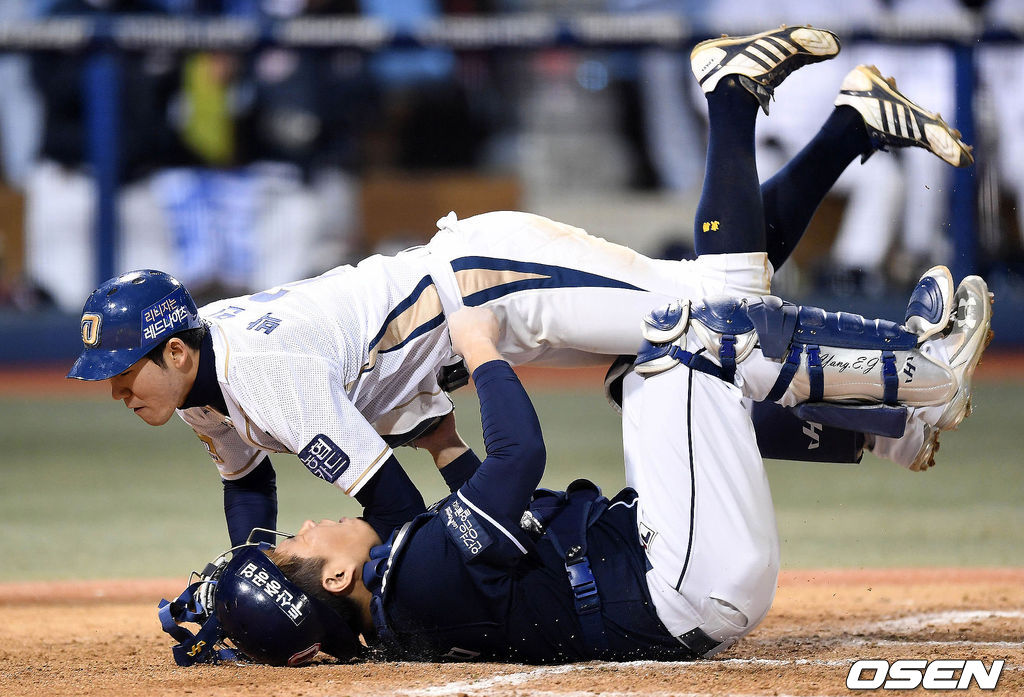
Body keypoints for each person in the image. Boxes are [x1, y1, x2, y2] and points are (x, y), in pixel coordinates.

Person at [69, 25, 977, 550]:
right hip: (485, 308)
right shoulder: (205, 382)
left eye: (122, 370)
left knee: (717, 320)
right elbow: (246, 484)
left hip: (493, 283)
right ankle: (851, 134)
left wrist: (382, 596)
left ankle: (735, 103)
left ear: (174, 350)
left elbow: (387, 502)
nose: (114, 389)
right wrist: (250, 570)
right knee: (680, 339)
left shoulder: (255, 371)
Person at [160, 275, 992, 666]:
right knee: (682, 333)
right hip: (682, 576)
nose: (306, 525)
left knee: (641, 377)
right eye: (296, 546)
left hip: (667, 572)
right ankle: (924, 368)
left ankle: (888, 426)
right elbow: (523, 461)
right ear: (337, 573)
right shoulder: (412, 574)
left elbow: (503, 541)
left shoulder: (400, 601)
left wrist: (448, 448)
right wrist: (482, 352)